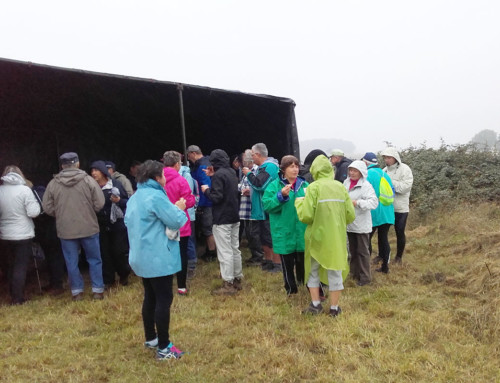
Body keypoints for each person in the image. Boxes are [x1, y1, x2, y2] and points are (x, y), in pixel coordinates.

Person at [124, 160, 187, 360]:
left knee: (150, 296)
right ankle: (164, 347)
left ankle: (151, 337)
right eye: (163, 174)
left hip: (140, 256)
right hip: (158, 257)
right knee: (163, 298)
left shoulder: (135, 197)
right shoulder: (156, 197)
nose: (165, 177)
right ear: (156, 177)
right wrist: (179, 207)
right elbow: (176, 220)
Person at [295, 155, 355, 317]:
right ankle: (334, 308)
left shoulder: (313, 188)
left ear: (314, 170)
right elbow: (350, 215)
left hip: (316, 236)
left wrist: (299, 203)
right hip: (336, 237)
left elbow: (306, 216)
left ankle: (315, 305)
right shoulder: (340, 187)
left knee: (313, 270)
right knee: (335, 271)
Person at [42, 152, 105, 300]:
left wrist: (60, 215)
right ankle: (97, 290)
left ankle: (77, 292)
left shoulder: (53, 184)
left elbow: (47, 207)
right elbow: (100, 203)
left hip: (66, 230)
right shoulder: (88, 181)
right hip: (89, 227)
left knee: (71, 262)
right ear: (77, 163)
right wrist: (90, 211)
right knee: (94, 259)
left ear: (62, 166)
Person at [263, 155, 308, 295]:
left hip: (301, 230)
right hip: (284, 230)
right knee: (287, 263)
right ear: (283, 169)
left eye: (296, 166)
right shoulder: (274, 185)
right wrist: (280, 196)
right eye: (291, 166)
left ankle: (304, 284)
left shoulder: (305, 185)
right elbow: (267, 205)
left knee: (303, 261)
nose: (295, 169)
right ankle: (290, 289)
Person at [201, 149, 242, 295]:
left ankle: (228, 283)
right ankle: (237, 278)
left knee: (225, 251)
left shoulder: (218, 175)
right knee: (234, 248)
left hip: (222, 218)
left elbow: (216, 197)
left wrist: (206, 190)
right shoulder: (231, 172)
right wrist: (214, 176)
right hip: (234, 216)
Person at [0, 166, 41, 304]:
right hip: (23, 234)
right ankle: (18, 298)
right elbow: (33, 212)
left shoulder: (0, 190)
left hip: (5, 235)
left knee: (10, 266)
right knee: (20, 266)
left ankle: (12, 294)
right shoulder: (25, 190)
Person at [90, 160, 131, 288]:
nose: (93, 173)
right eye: (92, 171)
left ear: (103, 172)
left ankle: (124, 274)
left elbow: (127, 202)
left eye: (96, 170)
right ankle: (108, 280)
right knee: (104, 253)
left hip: (117, 224)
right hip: (100, 224)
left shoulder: (116, 184)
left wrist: (118, 201)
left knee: (119, 251)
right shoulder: (91, 186)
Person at [242, 143, 281, 272]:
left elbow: (260, 184)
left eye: (252, 154)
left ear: (258, 154)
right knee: (264, 237)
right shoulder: (262, 167)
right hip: (261, 209)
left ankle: (277, 264)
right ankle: (268, 261)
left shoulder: (270, 167)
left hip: (268, 208)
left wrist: (248, 174)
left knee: (271, 236)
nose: (251, 157)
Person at [162, 151, 196, 295]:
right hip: (180, 223)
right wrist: (192, 200)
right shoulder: (181, 180)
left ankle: (164, 285)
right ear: (177, 164)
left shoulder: (157, 180)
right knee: (181, 255)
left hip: (162, 223)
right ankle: (181, 287)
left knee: (164, 254)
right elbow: (189, 201)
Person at [343, 160, 378, 286]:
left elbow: (374, 203)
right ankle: (354, 274)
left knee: (363, 252)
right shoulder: (346, 183)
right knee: (352, 250)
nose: (352, 173)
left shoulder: (366, 186)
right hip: (350, 223)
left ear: (361, 172)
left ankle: (365, 278)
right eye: (350, 170)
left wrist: (357, 203)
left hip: (362, 225)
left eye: (355, 171)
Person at [361, 152, 395, 274]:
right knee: (383, 239)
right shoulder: (385, 174)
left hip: (374, 213)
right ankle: (385, 267)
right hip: (387, 212)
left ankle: (365, 269)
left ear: (365, 163)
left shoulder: (367, 175)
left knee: (366, 240)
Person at [380, 147, 414, 264]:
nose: (386, 160)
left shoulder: (405, 169)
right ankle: (382, 255)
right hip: (387, 207)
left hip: (401, 207)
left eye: (389, 157)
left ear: (395, 158)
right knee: (382, 232)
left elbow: (405, 187)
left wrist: (390, 182)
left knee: (399, 231)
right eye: (385, 158)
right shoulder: (384, 170)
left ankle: (399, 257)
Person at [187, 145, 217, 262]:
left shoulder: (202, 165)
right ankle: (209, 250)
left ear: (193, 153)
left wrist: (202, 202)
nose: (188, 158)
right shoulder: (203, 163)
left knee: (207, 229)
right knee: (206, 228)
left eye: (189, 156)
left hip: (206, 202)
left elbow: (205, 186)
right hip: (205, 202)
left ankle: (212, 253)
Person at [239, 149, 264, 266]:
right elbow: (241, 185)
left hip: (252, 208)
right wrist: (241, 189)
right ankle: (255, 256)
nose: (242, 159)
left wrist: (250, 190)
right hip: (245, 208)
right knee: (250, 234)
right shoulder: (245, 171)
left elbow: (257, 185)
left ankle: (259, 257)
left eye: (245, 157)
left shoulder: (255, 170)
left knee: (255, 234)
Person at [178, 158, 199, 279]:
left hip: (187, 213)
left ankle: (191, 266)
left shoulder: (186, 176)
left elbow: (188, 196)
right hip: (177, 212)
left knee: (188, 240)